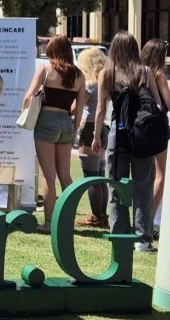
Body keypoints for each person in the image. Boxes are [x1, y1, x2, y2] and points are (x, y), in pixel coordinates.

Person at [90, 32, 162, 250]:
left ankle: (119, 235)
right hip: (142, 135)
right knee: (143, 187)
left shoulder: (107, 73)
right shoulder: (145, 72)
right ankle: (142, 239)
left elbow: (101, 109)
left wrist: (96, 135)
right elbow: (157, 105)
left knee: (116, 186)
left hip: (118, 135)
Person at [21, 36, 87, 219]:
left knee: (49, 176)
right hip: (66, 122)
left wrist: (27, 109)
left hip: (46, 121)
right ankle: (67, 219)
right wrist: (74, 129)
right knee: (65, 175)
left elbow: (28, 97)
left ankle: (49, 221)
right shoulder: (79, 75)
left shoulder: (45, 69)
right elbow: (79, 109)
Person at [139, 39, 170, 216]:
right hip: (158, 126)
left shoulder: (137, 73)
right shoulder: (159, 74)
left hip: (139, 126)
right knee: (161, 174)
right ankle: (149, 217)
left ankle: (141, 217)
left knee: (144, 175)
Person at [75, 45, 109, 230]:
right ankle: (101, 215)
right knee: (100, 176)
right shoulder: (103, 83)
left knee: (90, 178)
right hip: (102, 128)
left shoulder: (89, 85)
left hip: (89, 129)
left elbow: (77, 107)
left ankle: (96, 216)